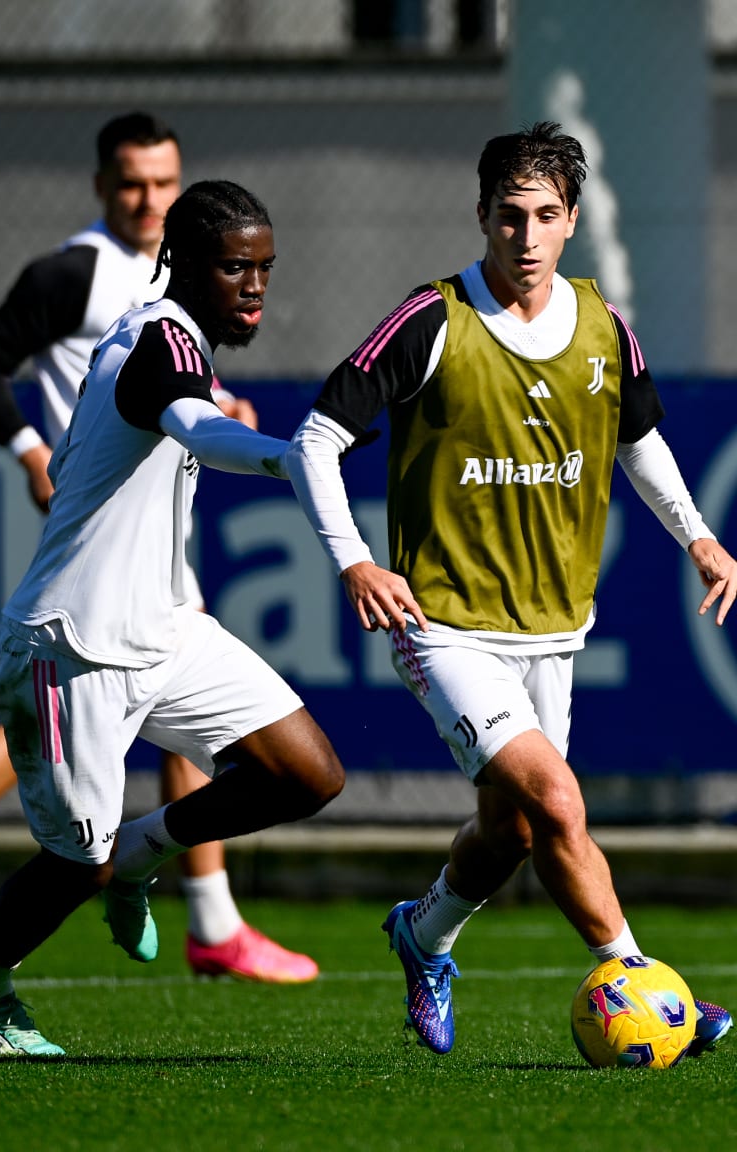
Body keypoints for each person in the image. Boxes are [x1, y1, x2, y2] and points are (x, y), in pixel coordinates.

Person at [286, 121, 737, 1057]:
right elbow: (316, 439)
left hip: (553, 625)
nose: (524, 238)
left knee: (517, 833)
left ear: (571, 221)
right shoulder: (431, 320)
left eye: (543, 216)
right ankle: (659, 998)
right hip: (443, 621)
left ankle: (423, 934)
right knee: (561, 802)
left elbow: (637, 435)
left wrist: (697, 535)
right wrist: (353, 559)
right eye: (506, 217)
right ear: (481, 215)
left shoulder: (604, 325)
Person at [0, 178, 345, 1058]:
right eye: (233, 268)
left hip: (167, 631)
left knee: (309, 774)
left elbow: (195, 416)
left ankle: (143, 852)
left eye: (264, 269)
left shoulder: (175, 339)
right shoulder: (160, 341)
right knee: (73, 863)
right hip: (72, 646)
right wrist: (286, 457)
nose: (253, 286)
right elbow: (197, 427)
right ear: (181, 263)